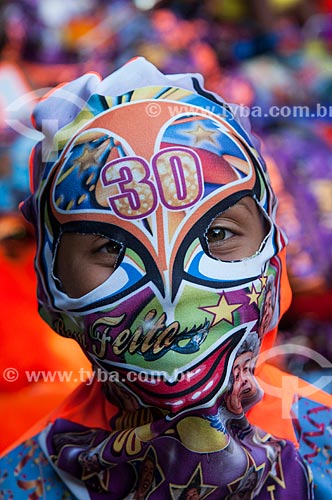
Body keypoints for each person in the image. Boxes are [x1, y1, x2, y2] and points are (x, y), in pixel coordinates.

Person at [0, 57, 331, 499]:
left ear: (274, 252)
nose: (174, 295)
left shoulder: (322, 443)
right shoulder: (21, 484)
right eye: (112, 248)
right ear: (52, 287)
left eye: (217, 234)